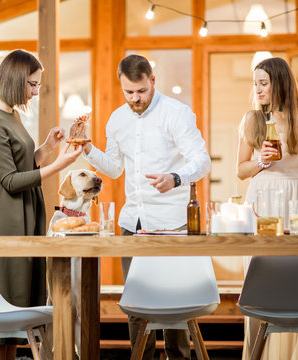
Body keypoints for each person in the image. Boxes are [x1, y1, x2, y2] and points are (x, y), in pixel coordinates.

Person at [83, 54, 211, 360]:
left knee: (175, 304)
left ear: (152, 81)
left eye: (141, 91)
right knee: (137, 305)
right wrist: (88, 149)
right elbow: (114, 169)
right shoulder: (117, 119)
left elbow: (201, 160)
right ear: (122, 86)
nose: (135, 98)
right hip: (133, 223)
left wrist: (176, 177)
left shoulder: (176, 113)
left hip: (171, 224)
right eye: (128, 92)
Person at [0, 49, 83, 360]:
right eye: (32, 85)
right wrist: (61, 164)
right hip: (2, 215)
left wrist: (48, 147)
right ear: (16, 80)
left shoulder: (10, 114)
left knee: (19, 308)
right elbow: (9, 180)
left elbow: (22, 164)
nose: (35, 91)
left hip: (21, 211)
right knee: (5, 309)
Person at [237, 57, 298, 360]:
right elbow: (241, 170)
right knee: (261, 277)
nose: (258, 89)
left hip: (296, 199)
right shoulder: (251, 119)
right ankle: (260, 353)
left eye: (263, 83)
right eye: (255, 83)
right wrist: (261, 161)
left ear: (280, 82)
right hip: (262, 199)